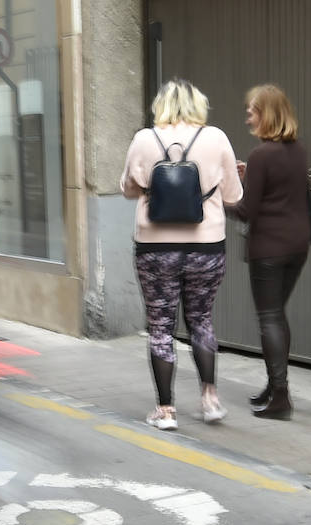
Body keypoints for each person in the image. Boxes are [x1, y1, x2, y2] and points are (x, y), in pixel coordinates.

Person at [121, 78, 243, 430]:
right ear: (198, 105)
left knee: (161, 326)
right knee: (201, 319)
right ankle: (210, 400)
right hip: (207, 246)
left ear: (160, 106)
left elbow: (127, 188)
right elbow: (234, 196)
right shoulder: (216, 137)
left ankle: (165, 411)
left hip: (155, 249)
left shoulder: (144, 139)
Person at [233, 84, 311, 421]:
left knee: (269, 318)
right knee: (277, 315)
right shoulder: (299, 150)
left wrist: (216, 198)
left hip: (269, 249)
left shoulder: (261, 155)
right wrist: (250, 176)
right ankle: (274, 387)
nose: (248, 117)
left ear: (266, 114)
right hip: (297, 245)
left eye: (252, 111)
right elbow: (282, 190)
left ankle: (280, 398)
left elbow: (246, 210)